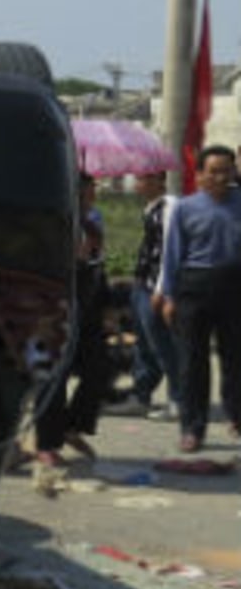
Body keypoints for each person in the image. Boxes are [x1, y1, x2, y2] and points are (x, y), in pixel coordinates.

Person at [156, 145, 241, 452]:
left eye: (227, 170)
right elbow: (172, 254)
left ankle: (236, 415)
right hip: (194, 286)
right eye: (214, 171)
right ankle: (193, 428)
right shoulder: (186, 208)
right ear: (200, 174)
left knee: (235, 358)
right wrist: (168, 295)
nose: (221, 177)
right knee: (193, 362)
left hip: (235, 286)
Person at [28, 174, 110, 463]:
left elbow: (100, 266)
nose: (90, 200)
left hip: (88, 305)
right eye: (84, 195)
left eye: (92, 194)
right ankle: (46, 444)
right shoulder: (55, 223)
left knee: (100, 367)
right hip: (55, 306)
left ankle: (73, 425)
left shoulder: (94, 222)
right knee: (54, 374)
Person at [107, 170, 180, 418]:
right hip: (141, 285)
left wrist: (162, 290)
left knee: (164, 345)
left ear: (159, 181)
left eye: (143, 179)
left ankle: (178, 399)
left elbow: (171, 252)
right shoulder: (150, 208)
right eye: (137, 179)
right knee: (144, 346)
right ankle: (141, 395)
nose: (138, 184)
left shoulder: (170, 207)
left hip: (155, 288)